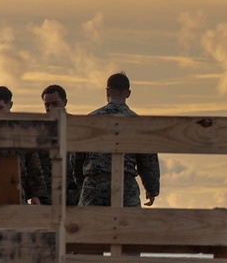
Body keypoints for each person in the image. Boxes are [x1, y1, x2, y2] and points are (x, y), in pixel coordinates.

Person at [71, 73, 160, 207]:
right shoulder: (138, 123)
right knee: (129, 226)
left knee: (89, 225)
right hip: (126, 186)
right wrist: (152, 189)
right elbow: (148, 160)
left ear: (107, 91)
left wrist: (81, 181)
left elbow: (76, 156)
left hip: (94, 185)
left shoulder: (91, 120)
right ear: (128, 93)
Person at [0, 86, 47, 205]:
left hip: (19, 188)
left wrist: (36, 195)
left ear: (10, 105)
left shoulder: (22, 131)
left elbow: (33, 164)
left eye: (0, 108)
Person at [38, 84, 79, 206]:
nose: (51, 108)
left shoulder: (78, 126)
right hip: (48, 192)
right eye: (47, 105)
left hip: (73, 191)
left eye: (55, 104)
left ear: (65, 102)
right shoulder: (39, 130)